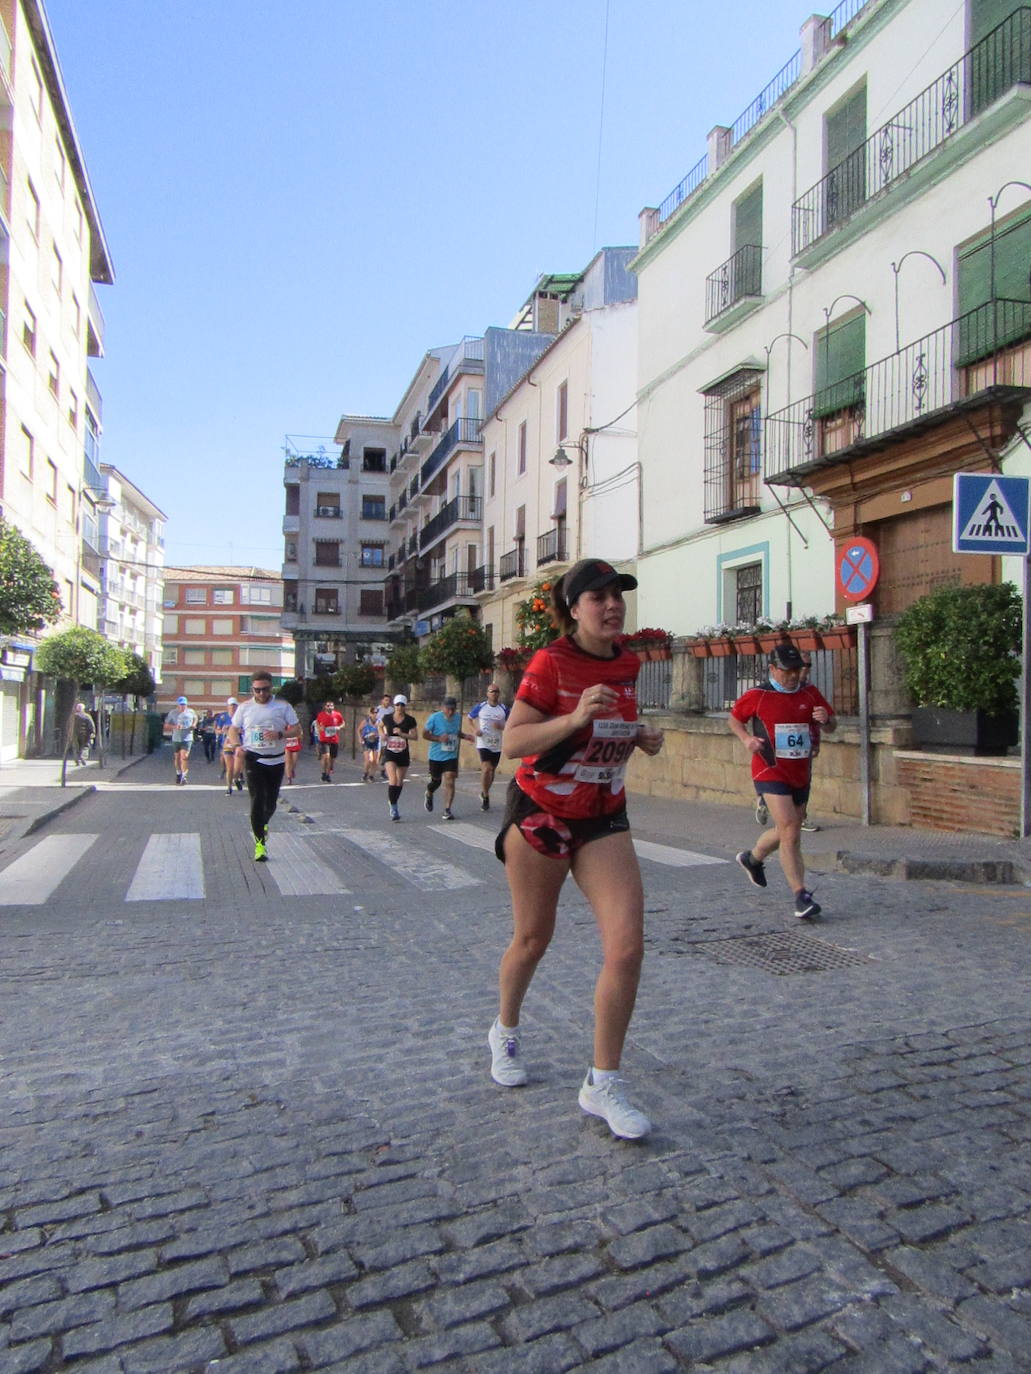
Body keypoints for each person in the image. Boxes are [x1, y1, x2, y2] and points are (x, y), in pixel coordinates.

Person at [489, 558, 664, 1141]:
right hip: (542, 815)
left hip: (604, 817)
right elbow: (514, 741)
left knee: (628, 946)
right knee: (533, 938)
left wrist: (642, 738)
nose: (612, 605)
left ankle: (604, 1082)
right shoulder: (550, 662)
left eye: (618, 595)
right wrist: (573, 717)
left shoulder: (629, 662)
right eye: (598, 597)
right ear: (573, 609)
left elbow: (609, 738)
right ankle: (506, 1029)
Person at [729, 642, 836, 920]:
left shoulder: (810, 693)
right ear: (773, 669)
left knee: (790, 827)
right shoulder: (758, 695)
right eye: (787, 671)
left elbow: (832, 724)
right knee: (790, 828)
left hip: (800, 770)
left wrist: (826, 720)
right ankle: (801, 895)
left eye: (797, 671)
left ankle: (752, 858)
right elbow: (734, 720)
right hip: (769, 768)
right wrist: (747, 740)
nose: (792, 676)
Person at [225, 671, 301, 861]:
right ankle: (260, 844)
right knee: (257, 800)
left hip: (275, 759)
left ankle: (264, 822)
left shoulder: (283, 706)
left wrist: (280, 735)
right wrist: (236, 746)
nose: (261, 694)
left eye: (265, 690)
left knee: (271, 803)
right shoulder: (245, 708)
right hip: (253, 758)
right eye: (257, 690)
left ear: (271, 688)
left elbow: (297, 729)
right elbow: (233, 730)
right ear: (252, 689)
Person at [754, 655, 821, 833]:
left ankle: (799, 818)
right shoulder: (769, 691)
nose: (804, 669)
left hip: (802, 751)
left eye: (808, 665)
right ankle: (768, 801)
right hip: (775, 756)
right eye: (801, 665)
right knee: (789, 828)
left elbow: (815, 720)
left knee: (804, 781)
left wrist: (816, 741)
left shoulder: (810, 691)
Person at [423, 696, 475, 821]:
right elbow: (425, 734)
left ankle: (447, 809)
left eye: (453, 709)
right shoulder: (434, 718)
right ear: (442, 708)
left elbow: (456, 732)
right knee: (436, 781)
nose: (450, 712)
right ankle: (429, 792)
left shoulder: (458, 718)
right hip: (436, 756)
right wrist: (438, 738)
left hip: (451, 755)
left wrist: (465, 736)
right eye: (448, 709)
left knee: (450, 779)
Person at [468, 683, 509, 810]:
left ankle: (484, 792)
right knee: (487, 768)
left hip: (496, 743)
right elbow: (469, 718)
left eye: (496, 691)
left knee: (492, 771)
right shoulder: (481, 707)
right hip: (483, 742)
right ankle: (486, 796)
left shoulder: (504, 709)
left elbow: (511, 724)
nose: (494, 693)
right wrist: (475, 730)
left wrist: (501, 727)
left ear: (499, 694)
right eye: (491, 691)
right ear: (487, 693)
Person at [379, 694, 418, 821]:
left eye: (402, 705)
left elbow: (415, 737)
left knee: (400, 781)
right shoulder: (387, 718)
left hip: (403, 752)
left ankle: (394, 802)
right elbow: (379, 726)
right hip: (390, 752)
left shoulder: (410, 720)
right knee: (393, 779)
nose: (399, 707)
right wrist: (382, 735)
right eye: (397, 704)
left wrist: (402, 734)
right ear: (394, 705)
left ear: (405, 706)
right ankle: (394, 807)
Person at [165, 696, 198, 785]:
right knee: (177, 757)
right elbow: (166, 725)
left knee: (184, 757)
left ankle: (184, 776)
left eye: (184, 705)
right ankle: (178, 773)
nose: (183, 707)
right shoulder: (173, 713)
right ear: (178, 705)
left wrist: (194, 725)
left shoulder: (191, 712)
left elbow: (195, 718)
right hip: (176, 738)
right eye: (181, 705)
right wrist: (175, 727)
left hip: (187, 738)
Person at [315, 699, 345, 782]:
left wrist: (339, 727)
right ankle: (325, 774)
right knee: (326, 757)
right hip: (324, 739)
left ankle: (328, 771)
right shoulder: (321, 715)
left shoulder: (337, 715)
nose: (330, 707)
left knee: (332, 759)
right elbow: (317, 723)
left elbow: (343, 723)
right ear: (325, 707)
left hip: (334, 740)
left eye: (331, 705)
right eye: (328, 705)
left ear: (333, 707)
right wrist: (320, 728)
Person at [374, 692, 393, 779]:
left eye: (389, 700)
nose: (387, 702)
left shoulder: (391, 710)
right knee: (379, 753)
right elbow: (373, 720)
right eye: (386, 700)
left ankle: (383, 771)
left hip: (387, 733)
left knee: (386, 752)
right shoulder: (377, 709)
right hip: (379, 733)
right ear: (382, 701)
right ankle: (373, 770)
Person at [359, 707, 381, 781]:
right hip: (366, 741)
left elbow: (384, 731)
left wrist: (378, 734)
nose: (375, 714)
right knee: (368, 760)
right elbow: (359, 730)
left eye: (377, 713)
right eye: (374, 713)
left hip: (376, 741)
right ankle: (365, 773)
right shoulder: (365, 721)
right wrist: (360, 738)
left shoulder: (379, 722)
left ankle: (371, 776)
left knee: (375, 760)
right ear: (370, 714)